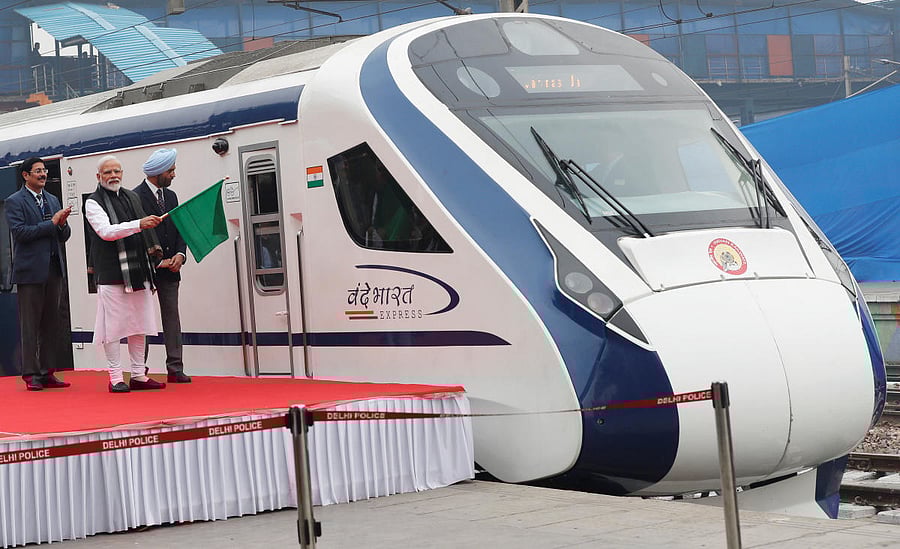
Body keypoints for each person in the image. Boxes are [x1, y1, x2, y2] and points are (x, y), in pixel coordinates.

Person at [85, 155, 166, 393]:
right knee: (114, 327)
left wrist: (145, 226)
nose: (114, 176)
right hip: (111, 272)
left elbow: (141, 229)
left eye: (117, 171)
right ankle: (116, 377)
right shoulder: (93, 202)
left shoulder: (132, 196)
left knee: (138, 324)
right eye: (108, 172)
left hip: (138, 270)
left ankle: (139, 375)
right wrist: (139, 224)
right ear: (99, 177)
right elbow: (106, 232)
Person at [5, 157, 72, 391]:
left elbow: (63, 235)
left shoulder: (52, 199)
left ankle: (47, 372)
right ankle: (31, 374)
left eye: (44, 171)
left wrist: (62, 225)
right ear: (26, 175)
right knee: (30, 325)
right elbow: (20, 233)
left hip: (54, 269)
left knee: (51, 324)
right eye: (38, 171)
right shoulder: (15, 202)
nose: (43, 175)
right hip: (30, 272)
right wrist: (52, 224)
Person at [134, 148, 191, 383]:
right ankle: (139, 370)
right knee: (143, 320)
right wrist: (157, 261)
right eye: (171, 170)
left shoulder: (172, 197)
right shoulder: (134, 197)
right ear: (158, 173)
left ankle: (175, 367)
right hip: (146, 269)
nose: (174, 175)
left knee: (172, 317)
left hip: (171, 269)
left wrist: (180, 254)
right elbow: (136, 234)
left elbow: (179, 229)